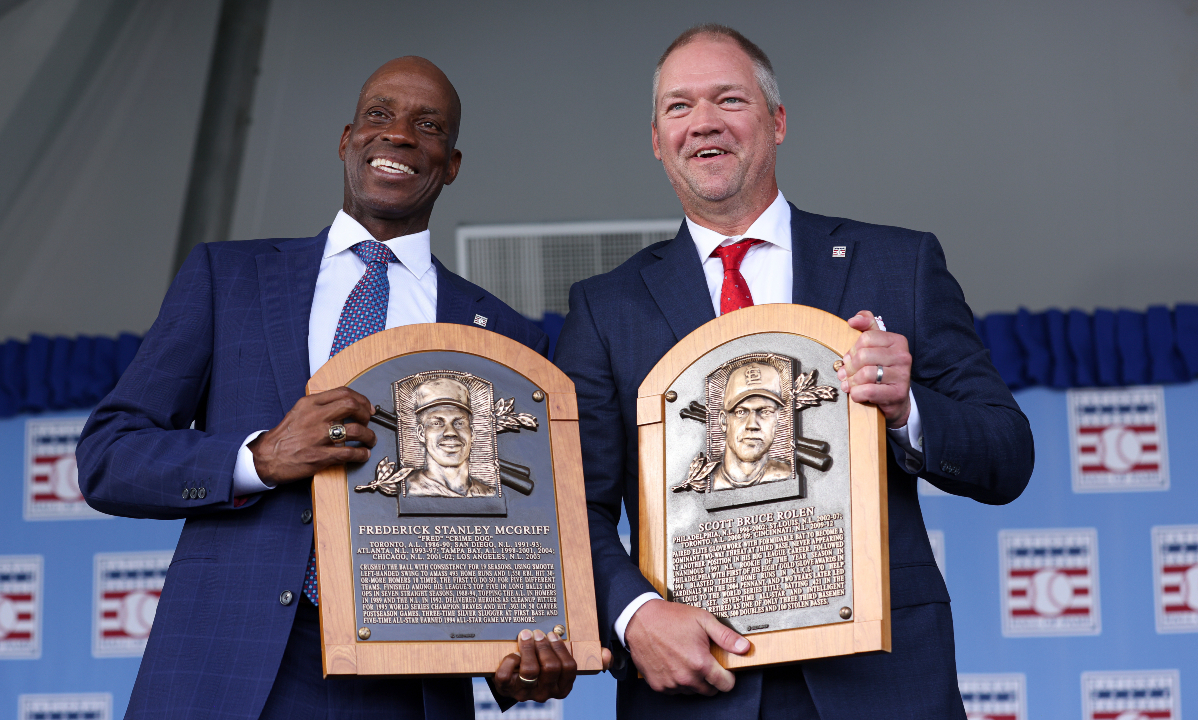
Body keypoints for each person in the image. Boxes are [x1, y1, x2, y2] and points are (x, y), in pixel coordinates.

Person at [78, 56, 596, 720]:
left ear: (452, 161)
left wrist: (515, 666)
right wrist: (259, 458)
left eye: (427, 125)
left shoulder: (506, 340)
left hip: (404, 690)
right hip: (224, 672)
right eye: (380, 115)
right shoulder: (228, 277)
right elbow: (109, 455)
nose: (400, 135)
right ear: (347, 139)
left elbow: (513, 545)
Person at [554, 25, 1034, 719]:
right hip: (698, 685)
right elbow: (577, 509)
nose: (704, 123)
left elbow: (1008, 456)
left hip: (880, 682)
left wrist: (907, 408)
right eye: (678, 108)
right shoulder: (606, 308)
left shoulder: (898, 264)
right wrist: (636, 615)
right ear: (657, 139)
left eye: (729, 100)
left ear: (776, 122)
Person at [406, 376, 495, 498]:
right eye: (437, 423)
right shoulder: (408, 489)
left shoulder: (489, 493)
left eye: (459, 423)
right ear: (421, 433)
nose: (450, 432)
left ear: (472, 433)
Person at [713, 360, 790, 491]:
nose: (752, 424)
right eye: (741, 412)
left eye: (765, 412)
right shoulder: (704, 482)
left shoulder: (788, 475)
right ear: (723, 421)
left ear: (777, 419)